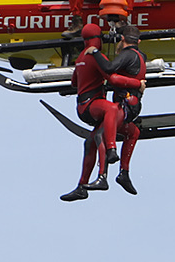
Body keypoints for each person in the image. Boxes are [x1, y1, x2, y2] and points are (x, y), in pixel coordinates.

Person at [59, 23, 147, 201]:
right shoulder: (99, 56)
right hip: (110, 105)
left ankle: (86, 185)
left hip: (86, 105)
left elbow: (75, 82)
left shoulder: (83, 58)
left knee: (96, 138)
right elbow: (111, 74)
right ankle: (107, 171)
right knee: (108, 117)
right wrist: (138, 84)